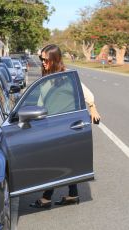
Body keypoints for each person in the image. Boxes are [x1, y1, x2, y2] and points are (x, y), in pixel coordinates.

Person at [30, 44, 100, 208]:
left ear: (54, 59)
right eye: (41, 59)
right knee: (64, 159)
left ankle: (47, 197)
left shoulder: (65, 76)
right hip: (50, 125)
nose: (42, 62)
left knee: (54, 160)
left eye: (45, 59)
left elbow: (87, 93)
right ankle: (72, 195)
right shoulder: (47, 77)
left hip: (64, 125)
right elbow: (41, 101)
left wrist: (93, 107)